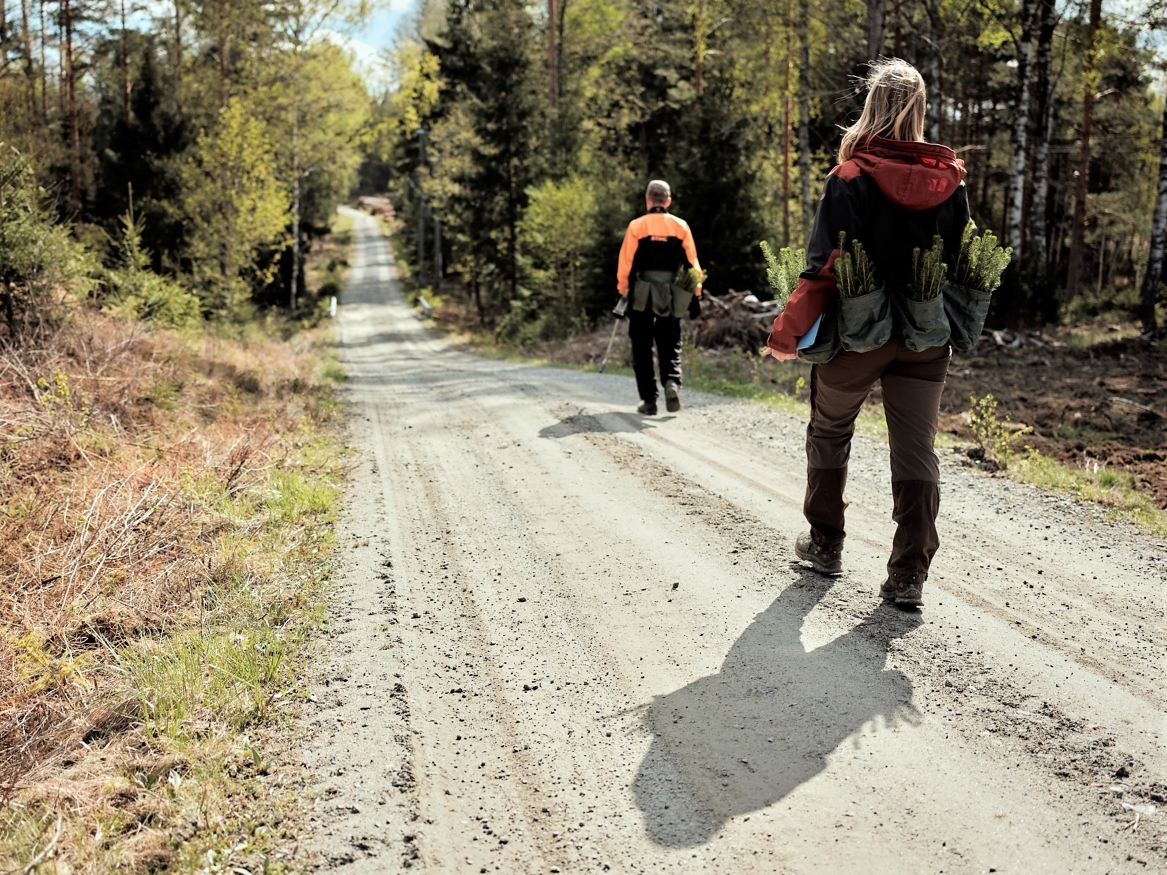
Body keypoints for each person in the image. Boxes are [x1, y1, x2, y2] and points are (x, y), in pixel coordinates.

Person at [765, 59, 970, 608]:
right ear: (920, 108)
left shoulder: (851, 179)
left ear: (872, 105)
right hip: (925, 339)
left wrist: (788, 332)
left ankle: (825, 544)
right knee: (916, 449)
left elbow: (824, 265)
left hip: (859, 337)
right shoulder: (950, 181)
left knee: (830, 429)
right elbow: (958, 264)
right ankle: (908, 575)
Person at [616, 179, 703, 415]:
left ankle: (649, 401)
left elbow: (626, 264)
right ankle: (671, 383)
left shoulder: (636, 226)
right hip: (671, 295)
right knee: (670, 340)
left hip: (641, 294)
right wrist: (696, 295)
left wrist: (623, 290)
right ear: (668, 201)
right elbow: (692, 265)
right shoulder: (680, 226)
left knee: (642, 346)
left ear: (647, 200)